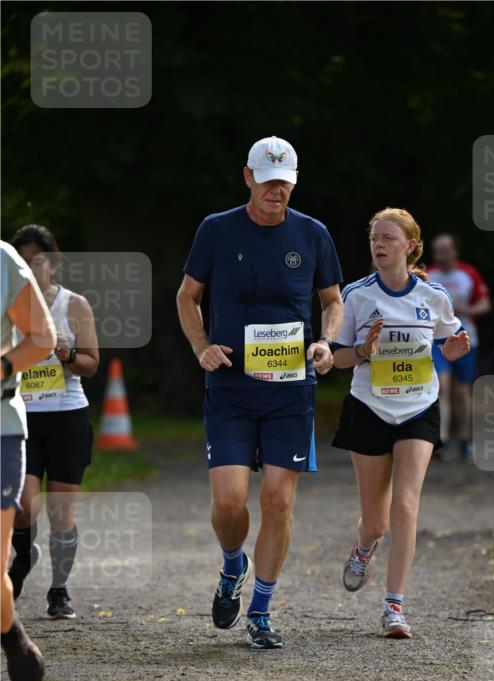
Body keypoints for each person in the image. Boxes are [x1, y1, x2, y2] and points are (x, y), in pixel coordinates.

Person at [176, 136, 343, 651]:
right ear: (248, 177)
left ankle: (261, 611)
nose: (276, 191)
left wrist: (325, 342)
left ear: (294, 182)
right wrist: (201, 346)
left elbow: (333, 301)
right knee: (229, 503)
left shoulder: (312, 233)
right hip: (230, 385)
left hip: (290, 390)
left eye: (284, 183)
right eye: (268, 181)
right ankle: (233, 566)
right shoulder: (216, 229)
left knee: (277, 499)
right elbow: (187, 297)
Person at [332, 208, 470, 638]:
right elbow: (337, 359)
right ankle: (364, 546)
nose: (379, 244)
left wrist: (452, 351)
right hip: (369, 408)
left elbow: (448, 341)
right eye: (375, 238)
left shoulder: (434, 296)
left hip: (418, 409)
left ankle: (394, 606)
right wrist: (364, 352)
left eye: (388, 238)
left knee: (406, 504)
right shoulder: (356, 295)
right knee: (377, 522)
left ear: (410, 246)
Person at [8, 225, 100, 619]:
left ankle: (59, 591)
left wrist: (68, 354)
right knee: (23, 507)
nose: (30, 268)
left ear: (54, 263)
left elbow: (92, 365)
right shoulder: (6, 306)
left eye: (37, 262)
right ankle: (24, 553)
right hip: (22, 417)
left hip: (67, 417)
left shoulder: (73, 305)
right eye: (22, 262)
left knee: (62, 514)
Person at [1, 240, 57, 681]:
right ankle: (11, 629)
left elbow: (42, 338)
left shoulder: (3, 260)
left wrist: (4, 366)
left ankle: (10, 632)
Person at [428, 234, 489, 461]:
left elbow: (485, 304)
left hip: (465, 337)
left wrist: (467, 311)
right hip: (437, 340)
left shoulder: (468, 273)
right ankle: (441, 441)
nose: (440, 256)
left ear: (454, 252)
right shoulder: (428, 275)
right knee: (441, 387)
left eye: (444, 251)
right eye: (437, 251)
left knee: (461, 391)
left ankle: (464, 439)